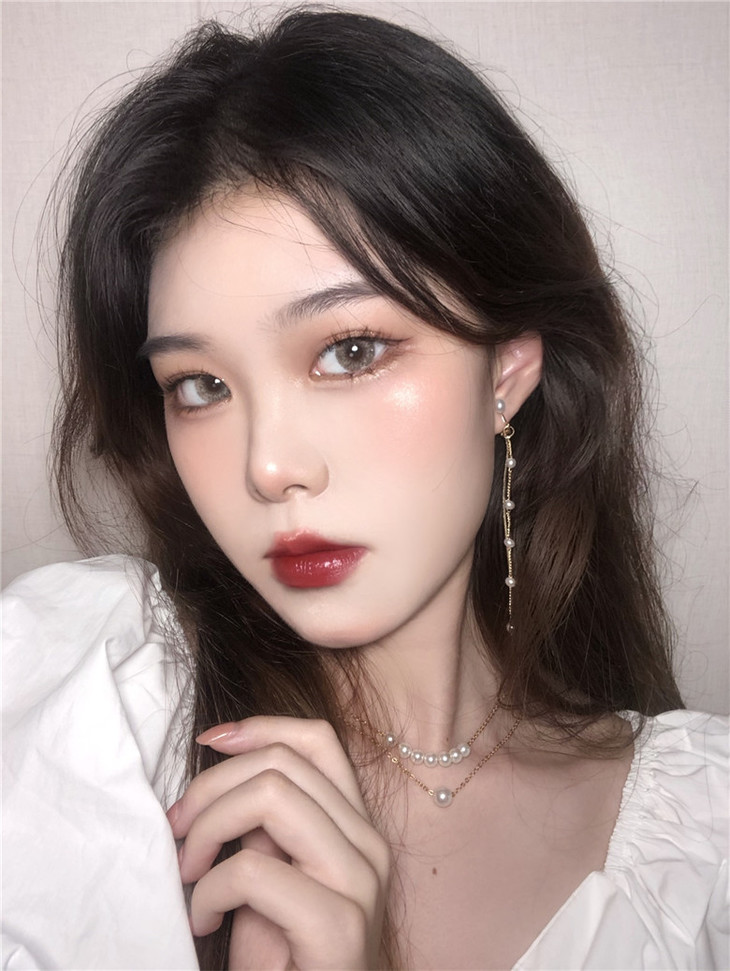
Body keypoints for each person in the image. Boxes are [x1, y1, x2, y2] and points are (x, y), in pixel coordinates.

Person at [2, 8, 727, 970]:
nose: (269, 467)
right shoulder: (96, 715)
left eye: (349, 351)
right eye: (201, 386)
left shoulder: (700, 848)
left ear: (507, 371)